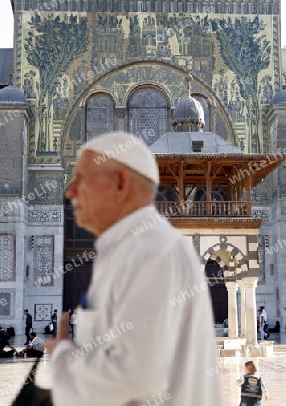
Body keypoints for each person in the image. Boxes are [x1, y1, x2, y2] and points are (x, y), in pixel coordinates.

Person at [45, 132, 222, 406]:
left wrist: (62, 358)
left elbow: (135, 378)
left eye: (81, 179)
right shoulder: (129, 248)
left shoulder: (151, 250)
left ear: (120, 183)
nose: (70, 191)